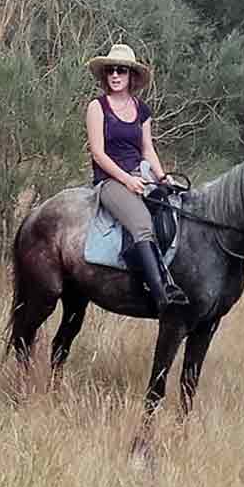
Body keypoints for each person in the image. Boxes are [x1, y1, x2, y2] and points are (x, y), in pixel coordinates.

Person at [84, 42, 186, 311]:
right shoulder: (97, 107)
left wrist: (162, 177)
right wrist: (126, 180)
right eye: (111, 71)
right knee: (141, 222)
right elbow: (98, 154)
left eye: (122, 70)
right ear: (105, 76)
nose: (115, 75)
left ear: (131, 76)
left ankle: (143, 268)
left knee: (170, 210)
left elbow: (147, 149)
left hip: (141, 176)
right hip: (110, 181)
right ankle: (161, 292)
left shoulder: (142, 110)